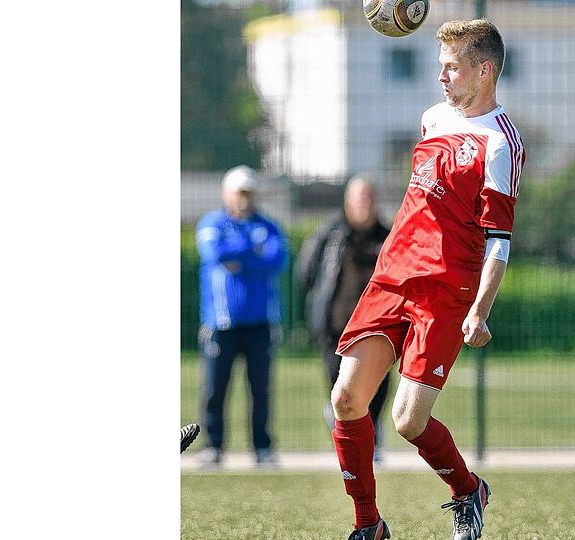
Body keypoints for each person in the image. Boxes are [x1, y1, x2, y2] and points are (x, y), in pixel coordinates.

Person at [331, 19, 525, 540]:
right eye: (440, 66)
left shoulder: (500, 144)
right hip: (394, 275)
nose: (441, 77)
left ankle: (468, 490)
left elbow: (498, 240)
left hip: (446, 290)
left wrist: (479, 310)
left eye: (452, 67)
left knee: (408, 421)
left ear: (484, 71)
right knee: (347, 398)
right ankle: (368, 525)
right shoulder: (433, 118)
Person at [195, 165, 288, 467]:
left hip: (260, 324)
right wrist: (252, 250)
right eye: (239, 193)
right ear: (227, 194)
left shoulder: (268, 226)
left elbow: (276, 260)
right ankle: (213, 446)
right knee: (214, 388)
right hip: (221, 323)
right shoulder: (212, 223)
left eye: (249, 193)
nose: (244, 199)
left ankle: (262, 448)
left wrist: (240, 257)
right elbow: (216, 255)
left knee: (260, 389)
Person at [297, 175, 391, 459]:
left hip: (377, 329)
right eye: (359, 197)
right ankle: (351, 442)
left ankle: (371, 438)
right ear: (347, 201)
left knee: (377, 386)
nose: (365, 203)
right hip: (336, 328)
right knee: (340, 390)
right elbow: (306, 273)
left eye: (369, 198)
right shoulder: (329, 235)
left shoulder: (388, 236)